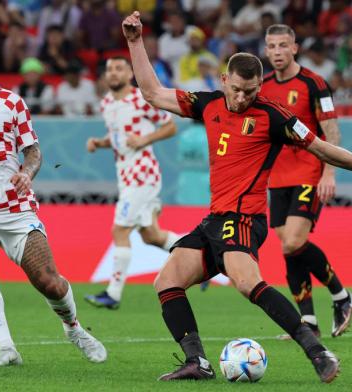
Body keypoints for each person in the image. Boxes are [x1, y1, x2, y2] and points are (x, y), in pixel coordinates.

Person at [121, 11, 352, 382]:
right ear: (223, 79)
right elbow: (152, 93)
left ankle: (318, 351)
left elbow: (323, 148)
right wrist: (135, 43)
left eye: (252, 91)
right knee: (166, 282)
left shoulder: (275, 116)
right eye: (237, 89)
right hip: (214, 219)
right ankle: (198, 362)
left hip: (244, 219)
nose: (243, 98)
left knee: (247, 284)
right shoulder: (208, 103)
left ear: (260, 86)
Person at [0, 30, 107, 367]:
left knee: (49, 282)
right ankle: (6, 348)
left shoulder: (10, 102)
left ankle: (73, 328)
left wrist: (27, 174)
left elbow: (34, 152)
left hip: (14, 205)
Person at [262, 24, 351, 339]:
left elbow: (332, 131)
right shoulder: (263, 86)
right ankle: (309, 322)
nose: (277, 52)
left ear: (295, 48)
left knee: (294, 242)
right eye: (271, 46)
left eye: (283, 45)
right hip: (277, 178)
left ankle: (342, 296)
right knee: (289, 249)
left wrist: (329, 171)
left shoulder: (314, 83)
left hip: (309, 171)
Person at [84, 56, 181, 310]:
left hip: (142, 173)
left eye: (119, 69)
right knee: (152, 236)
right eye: (109, 70)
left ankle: (113, 294)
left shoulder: (141, 99)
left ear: (129, 74)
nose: (113, 73)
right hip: (126, 175)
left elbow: (170, 127)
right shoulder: (106, 103)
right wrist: (100, 142)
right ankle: (203, 257)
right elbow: (118, 138)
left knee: (120, 230)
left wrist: (145, 139)